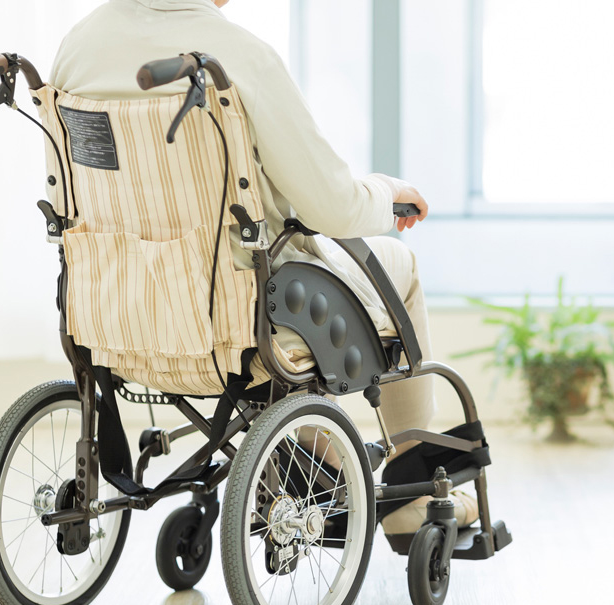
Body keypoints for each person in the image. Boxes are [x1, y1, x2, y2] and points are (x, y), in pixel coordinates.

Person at [49, 0, 476, 535]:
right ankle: (408, 489)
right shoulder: (237, 58)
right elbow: (334, 207)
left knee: (287, 280)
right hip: (233, 319)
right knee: (397, 266)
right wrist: (387, 191)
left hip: (116, 313)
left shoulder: (78, 47)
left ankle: (324, 468)